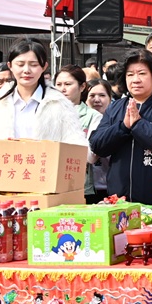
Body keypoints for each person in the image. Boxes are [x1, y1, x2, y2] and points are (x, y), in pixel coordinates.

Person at [0, 42, 89, 162]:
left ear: (44, 67)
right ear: (10, 66)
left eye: (34, 65)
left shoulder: (60, 105)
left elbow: (78, 151)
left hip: (44, 174)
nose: (26, 70)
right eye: (20, 64)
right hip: (5, 174)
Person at [89, 50, 152, 203]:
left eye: (142, 73)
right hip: (119, 199)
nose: (135, 80)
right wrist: (123, 127)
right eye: (130, 74)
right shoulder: (115, 108)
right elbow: (97, 145)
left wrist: (139, 125)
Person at [55, 65, 104, 203]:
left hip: (81, 187)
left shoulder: (93, 116)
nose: (62, 89)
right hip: (51, 183)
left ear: (82, 87)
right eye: (58, 84)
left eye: (68, 84)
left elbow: (91, 156)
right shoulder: (46, 113)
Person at [82, 79, 114, 201]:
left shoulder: (117, 123)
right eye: (92, 95)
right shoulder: (79, 121)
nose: (96, 100)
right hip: (86, 189)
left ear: (110, 98)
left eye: (102, 95)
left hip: (109, 188)